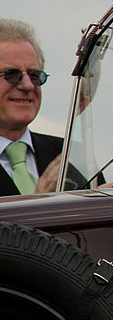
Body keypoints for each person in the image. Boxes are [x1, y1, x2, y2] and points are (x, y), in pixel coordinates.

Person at [0, 19, 62, 196]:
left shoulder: (68, 157)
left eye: (35, 75)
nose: (27, 86)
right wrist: (40, 202)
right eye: (12, 75)